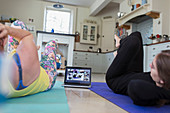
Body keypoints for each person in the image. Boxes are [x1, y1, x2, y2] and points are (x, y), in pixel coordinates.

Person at [106, 31, 170, 106]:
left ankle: (120, 45)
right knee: (137, 35)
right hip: (134, 74)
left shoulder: (154, 93)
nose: (149, 65)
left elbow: (134, 86)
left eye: (153, 67)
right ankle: (120, 46)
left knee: (132, 42)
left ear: (162, 81)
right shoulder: (164, 79)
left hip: (115, 79)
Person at [0, 20, 58, 98]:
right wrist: (8, 29)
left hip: (27, 65)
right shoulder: (21, 65)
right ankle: (33, 49)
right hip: (46, 75)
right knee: (51, 44)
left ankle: (31, 49)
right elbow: (26, 36)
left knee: (16, 25)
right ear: (3, 43)